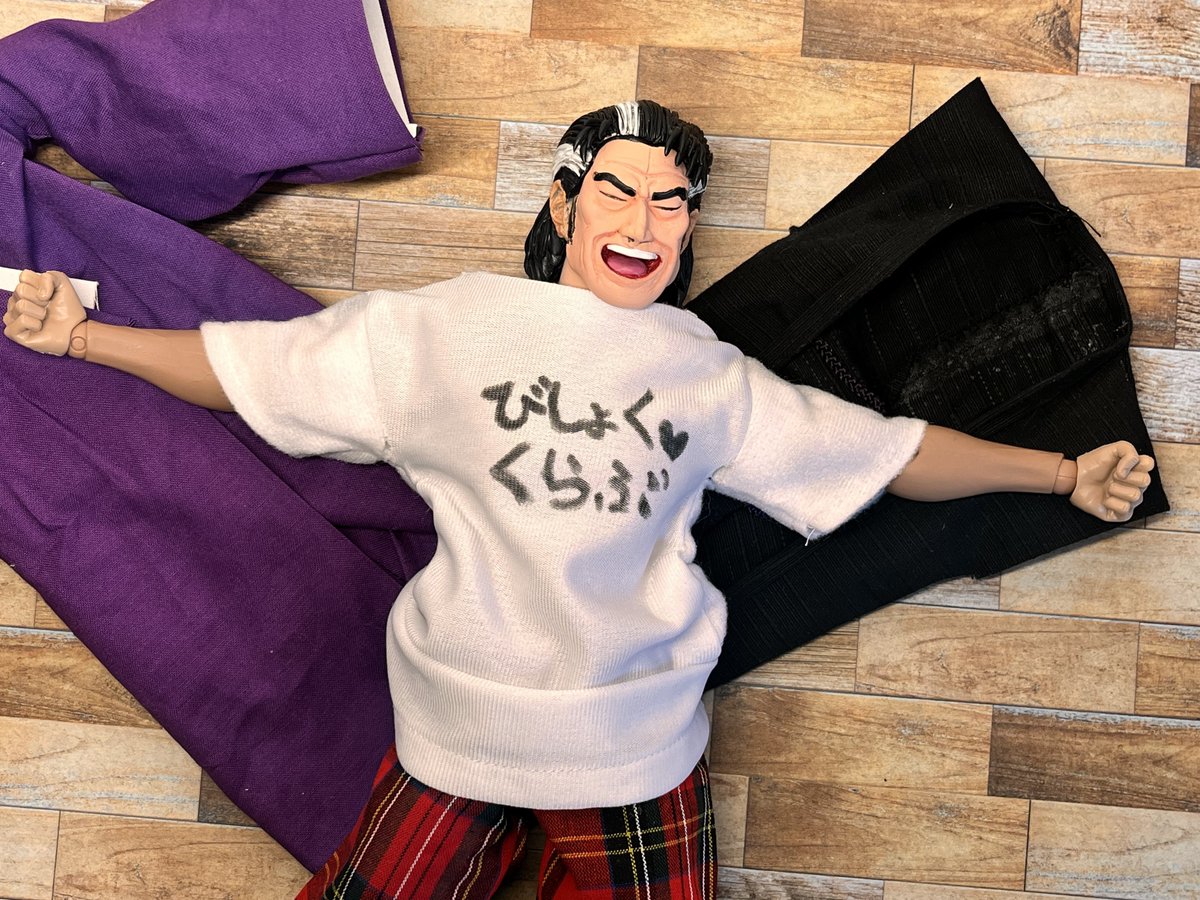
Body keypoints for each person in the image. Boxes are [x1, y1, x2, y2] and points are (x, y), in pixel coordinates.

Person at [5, 100, 1154, 899]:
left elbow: (884, 454)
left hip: (629, 743)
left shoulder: (705, 375)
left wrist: (1058, 473)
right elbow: (256, 368)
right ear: (563, 205)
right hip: (461, 723)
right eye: (619, 192)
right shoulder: (452, 325)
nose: (646, 224)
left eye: (674, 204)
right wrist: (88, 340)